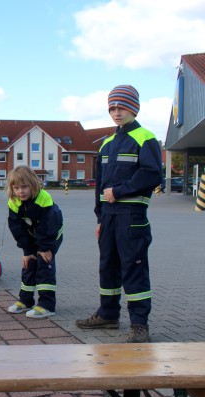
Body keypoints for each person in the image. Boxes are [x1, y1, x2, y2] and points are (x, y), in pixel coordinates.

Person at [76, 85, 163, 343]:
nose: (116, 112)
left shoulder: (145, 138)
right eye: (112, 108)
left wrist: (121, 191)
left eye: (121, 107)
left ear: (133, 108)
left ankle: (139, 324)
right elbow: (101, 187)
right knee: (108, 266)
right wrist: (100, 219)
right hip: (109, 217)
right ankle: (108, 314)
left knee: (133, 268)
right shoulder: (107, 144)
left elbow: (152, 174)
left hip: (132, 216)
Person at [5, 165, 63, 319]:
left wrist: (44, 248)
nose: (20, 192)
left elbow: (49, 227)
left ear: (33, 184)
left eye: (24, 187)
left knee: (44, 265)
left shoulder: (44, 199)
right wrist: (27, 251)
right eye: (16, 188)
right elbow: (17, 228)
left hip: (50, 237)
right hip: (32, 236)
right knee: (29, 264)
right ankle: (26, 301)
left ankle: (47, 305)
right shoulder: (14, 202)